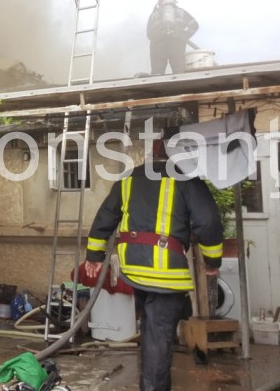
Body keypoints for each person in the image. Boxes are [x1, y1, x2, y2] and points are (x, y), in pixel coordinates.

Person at [83, 140, 223, 391]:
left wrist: (94, 255)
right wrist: (212, 260)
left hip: (134, 268)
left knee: (150, 329)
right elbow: (208, 221)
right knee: (159, 336)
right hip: (164, 271)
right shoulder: (186, 178)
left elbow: (105, 217)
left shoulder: (128, 178)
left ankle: (149, 382)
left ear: (152, 156)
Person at [146, 0, 198, 75]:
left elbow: (149, 34)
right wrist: (184, 36)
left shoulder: (154, 15)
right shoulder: (182, 12)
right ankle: (181, 86)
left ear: (160, 2)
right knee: (179, 71)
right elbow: (194, 25)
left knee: (157, 73)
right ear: (174, 1)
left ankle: (157, 86)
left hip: (158, 46)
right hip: (177, 44)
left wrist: (158, 36)